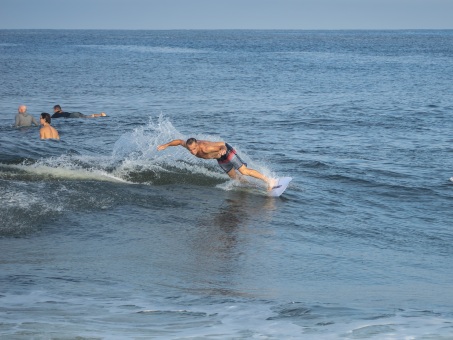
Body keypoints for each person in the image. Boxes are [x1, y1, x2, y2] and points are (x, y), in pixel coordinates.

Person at [157, 138, 276, 190]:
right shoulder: (189, 145)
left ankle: (269, 180)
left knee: (243, 171)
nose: (192, 152)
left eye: (194, 149)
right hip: (219, 158)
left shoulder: (205, 148)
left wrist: (223, 149)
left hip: (226, 151)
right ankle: (251, 186)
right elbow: (178, 141)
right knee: (234, 177)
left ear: (197, 145)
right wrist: (166, 145)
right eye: (190, 150)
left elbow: (222, 143)